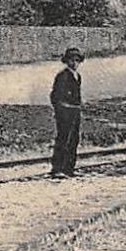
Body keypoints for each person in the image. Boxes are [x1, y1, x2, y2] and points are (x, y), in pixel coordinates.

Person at [49, 46, 84, 178]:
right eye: (71, 60)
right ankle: (58, 168)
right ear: (66, 61)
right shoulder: (63, 76)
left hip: (75, 111)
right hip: (65, 112)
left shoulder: (77, 76)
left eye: (77, 60)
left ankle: (69, 168)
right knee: (63, 139)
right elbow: (55, 96)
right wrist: (61, 110)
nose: (74, 63)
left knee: (74, 139)